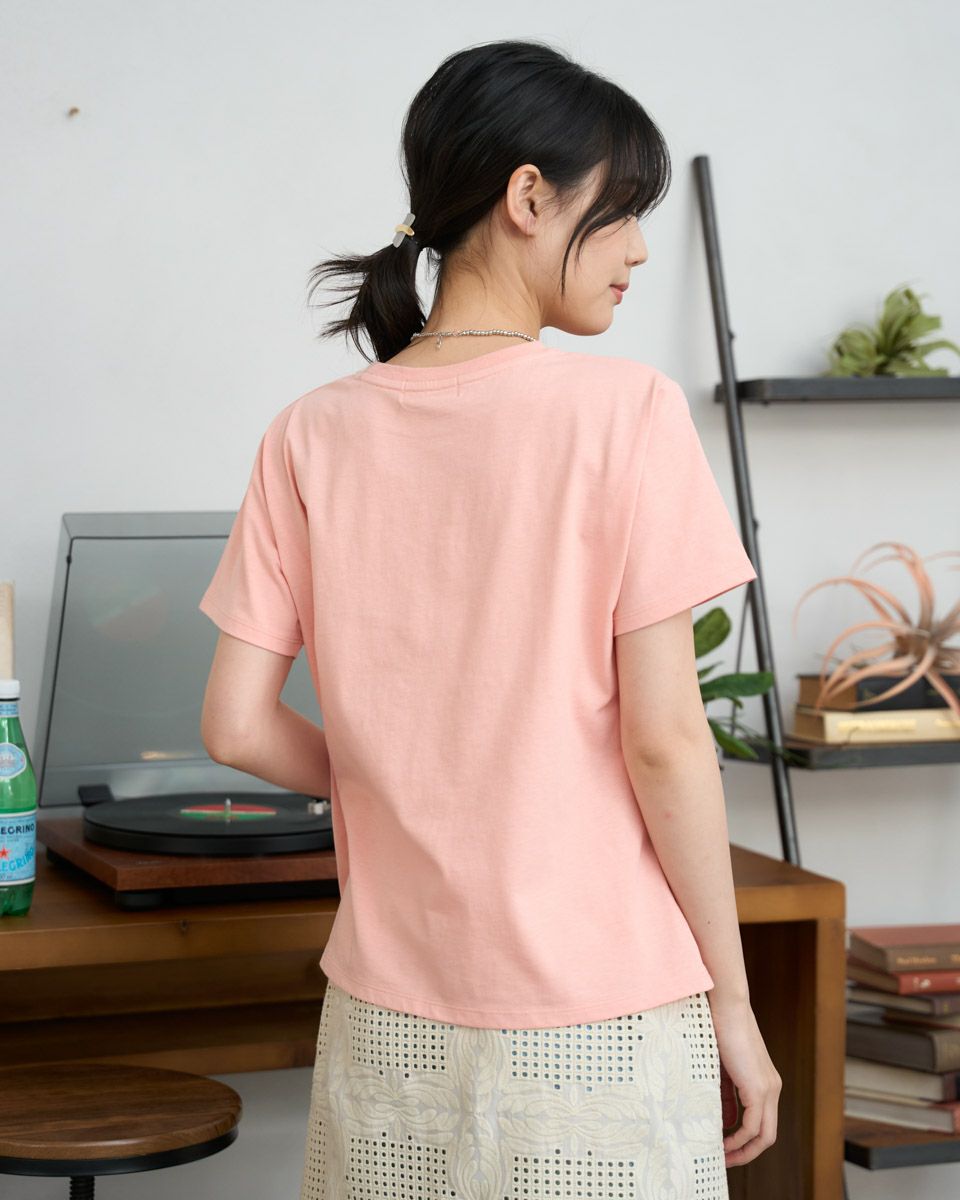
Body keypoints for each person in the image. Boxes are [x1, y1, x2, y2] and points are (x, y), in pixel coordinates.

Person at [198, 36, 781, 1200]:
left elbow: (235, 727)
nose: (639, 247)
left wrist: (395, 778)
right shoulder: (627, 415)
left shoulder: (309, 433)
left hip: (384, 1023)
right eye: (622, 210)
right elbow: (666, 742)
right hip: (599, 1016)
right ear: (528, 196)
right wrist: (732, 1000)